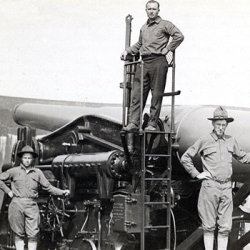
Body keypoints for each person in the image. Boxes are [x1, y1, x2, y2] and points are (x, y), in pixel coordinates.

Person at [181, 106, 250, 250]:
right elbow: (185, 157)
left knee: (225, 227)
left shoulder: (231, 141)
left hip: (226, 188)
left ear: (227, 125)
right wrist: (197, 174)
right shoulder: (204, 140)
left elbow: (243, 157)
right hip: (210, 187)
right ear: (213, 124)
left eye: (223, 125)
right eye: (218, 124)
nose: (221, 127)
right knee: (209, 226)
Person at [121, 0, 184, 131]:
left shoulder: (165, 24)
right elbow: (139, 44)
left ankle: (152, 124)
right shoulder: (144, 27)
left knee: (156, 94)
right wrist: (127, 51)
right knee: (137, 93)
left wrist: (168, 49)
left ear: (158, 11)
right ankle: (134, 122)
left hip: (158, 62)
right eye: (149, 9)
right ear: (146, 10)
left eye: (154, 9)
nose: (151, 11)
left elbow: (179, 36)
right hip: (143, 62)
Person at [0, 145, 70, 250]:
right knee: (18, 233)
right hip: (16, 204)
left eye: (29, 158)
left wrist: (62, 192)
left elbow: (48, 187)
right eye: (25, 158)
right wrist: (8, 191)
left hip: (31, 205)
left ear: (32, 159)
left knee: (33, 234)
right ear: (21, 159)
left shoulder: (38, 173)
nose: (27, 160)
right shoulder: (14, 171)